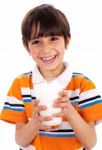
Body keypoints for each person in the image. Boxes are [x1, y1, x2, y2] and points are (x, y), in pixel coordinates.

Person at [0, 4, 102, 150]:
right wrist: (34, 122)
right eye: (36, 42)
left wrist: (71, 113)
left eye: (53, 38)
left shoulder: (83, 85)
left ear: (67, 41)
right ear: (26, 46)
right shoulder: (20, 85)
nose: (46, 49)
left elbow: (91, 142)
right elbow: (20, 141)